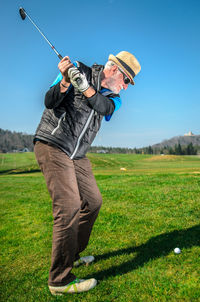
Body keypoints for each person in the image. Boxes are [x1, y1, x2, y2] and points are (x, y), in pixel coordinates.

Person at [34, 51, 141, 295]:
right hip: (52, 144)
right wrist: (65, 81)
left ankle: (71, 254)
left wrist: (87, 89)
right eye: (126, 81)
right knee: (69, 205)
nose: (125, 87)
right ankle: (59, 280)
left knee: (93, 202)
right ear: (114, 70)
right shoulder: (77, 69)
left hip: (77, 155)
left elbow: (104, 108)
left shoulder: (113, 97)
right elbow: (49, 101)